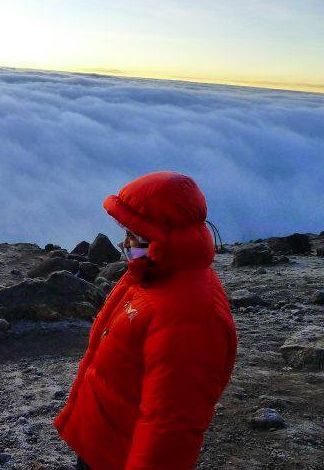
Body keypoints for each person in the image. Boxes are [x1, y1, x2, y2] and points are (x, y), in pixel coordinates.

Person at [53, 171, 238, 470]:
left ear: (163, 238)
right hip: (106, 442)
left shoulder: (191, 314)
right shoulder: (153, 272)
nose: (126, 243)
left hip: (121, 454)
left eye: (135, 234)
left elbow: (170, 427)